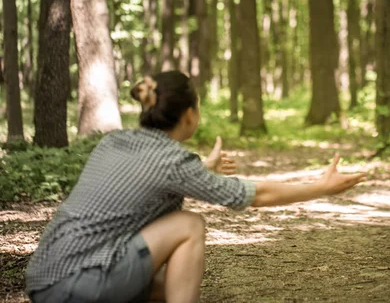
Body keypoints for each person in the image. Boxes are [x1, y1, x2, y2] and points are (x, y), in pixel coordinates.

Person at [25, 71, 366, 303]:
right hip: (80, 284)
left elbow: (147, 179)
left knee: (170, 285)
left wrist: (205, 169)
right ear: (189, 115)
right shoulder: (173, 161)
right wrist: (321, 187)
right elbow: (255, 195)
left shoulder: (115, 141)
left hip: (45, 279)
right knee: (189, 225)